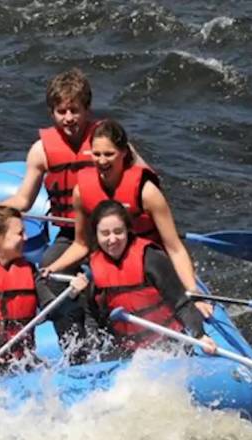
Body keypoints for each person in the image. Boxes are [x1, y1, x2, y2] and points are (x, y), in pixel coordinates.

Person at [0, 68, 146, 341]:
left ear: (87, 109)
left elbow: (145, 182)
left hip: (112, 232)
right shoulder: (41, 151)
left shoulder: (108, 142)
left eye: (74, 110)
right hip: (72, 234)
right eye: (61, 111)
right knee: (48, 272)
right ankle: (74, 339)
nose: (68, 119)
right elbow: (23, 200)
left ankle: (114, 328)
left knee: (111, 277)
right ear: (52, 113)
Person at [44, 119, 214, 318]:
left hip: (149, 266)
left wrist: (193, 291)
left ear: (124, 153)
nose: (102, 161)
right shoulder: (81, 192)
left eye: (109, 154)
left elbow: (174, 247)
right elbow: (82, 245)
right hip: (107, 265)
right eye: (96, 154)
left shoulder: (147, 192)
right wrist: (51, 268)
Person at [0, 206, 88, 371]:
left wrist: (72, 293)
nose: (26, 238)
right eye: (19, 233)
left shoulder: (29, 270)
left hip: (20, 361)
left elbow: (53, 310)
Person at [82, 200, 217, 356]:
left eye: (118, 231)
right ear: (96, 235)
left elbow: (181, 303)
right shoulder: (92, 267)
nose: (112, 239)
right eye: (105, 233)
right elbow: (91, 314)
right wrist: (93, 349)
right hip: (126, 349)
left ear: (128, 230)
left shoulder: (151, 259)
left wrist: (200, 335)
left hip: (169, 344)